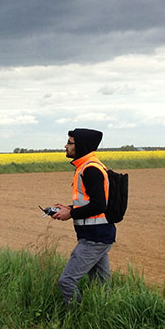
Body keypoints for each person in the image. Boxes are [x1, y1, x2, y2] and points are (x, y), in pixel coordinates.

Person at [51, 128, 116, 307]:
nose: (66, 146)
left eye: (70, 143)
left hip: (95, 237)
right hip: (99, 234)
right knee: (101, 286)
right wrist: (69, 208)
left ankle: (75, 319)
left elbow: (99, 206)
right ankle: (104, 316)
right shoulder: (87, 167)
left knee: (67, 281)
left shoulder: (90, 170)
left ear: (81, 145)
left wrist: (70, 213)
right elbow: (91, 202)